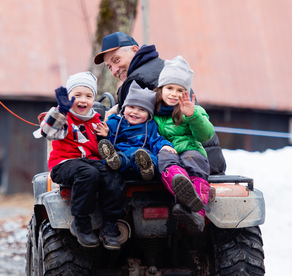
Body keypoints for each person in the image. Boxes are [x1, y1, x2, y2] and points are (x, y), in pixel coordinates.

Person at [94, 31, 226, 175]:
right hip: (207, 158)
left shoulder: (136, 81)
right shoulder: (164, 69)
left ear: (135, 50)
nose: (114, 70)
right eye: (109, 67)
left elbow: (129, 130)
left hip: (182, 161)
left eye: (117, 60)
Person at [34, 71, 125, 250]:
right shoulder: (64, 118)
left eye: (88, 96)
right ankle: (81, 223)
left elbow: (101, 149)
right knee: (88, 173)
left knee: (113, 174)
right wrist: (61, 110)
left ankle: (110, 225)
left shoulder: (96, 121)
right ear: (68, 98)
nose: (83, 100)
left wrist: (104, 136)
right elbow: (48, 132)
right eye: (77, 95)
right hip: (65, 163)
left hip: (89, 162)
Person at [153, 56, 215, 233]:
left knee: (194, 160)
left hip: (190, 149)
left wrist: (192, 115)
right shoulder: (151, 110)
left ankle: (197, 214)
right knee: (165, 157)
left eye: (180, 89)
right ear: (161, 89)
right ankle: (181, 185)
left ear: (186, 92)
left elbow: (206, 135)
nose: (174, 93)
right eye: (169, 88)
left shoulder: (192, 109)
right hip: (166, 150)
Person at [94, 81, 175, 181]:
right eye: (131, 107)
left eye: (142, 110)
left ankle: (148, 168)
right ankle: (115, 162)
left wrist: (164, 145)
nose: (135, 112)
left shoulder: (149, 126)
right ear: (124, 109)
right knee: (120, 156)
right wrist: (106, 134)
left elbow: (156, 139)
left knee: (146, 155)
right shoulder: (115, 122)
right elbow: (107, 139)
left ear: (148, 114)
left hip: (140, 153)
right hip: (121, 152)